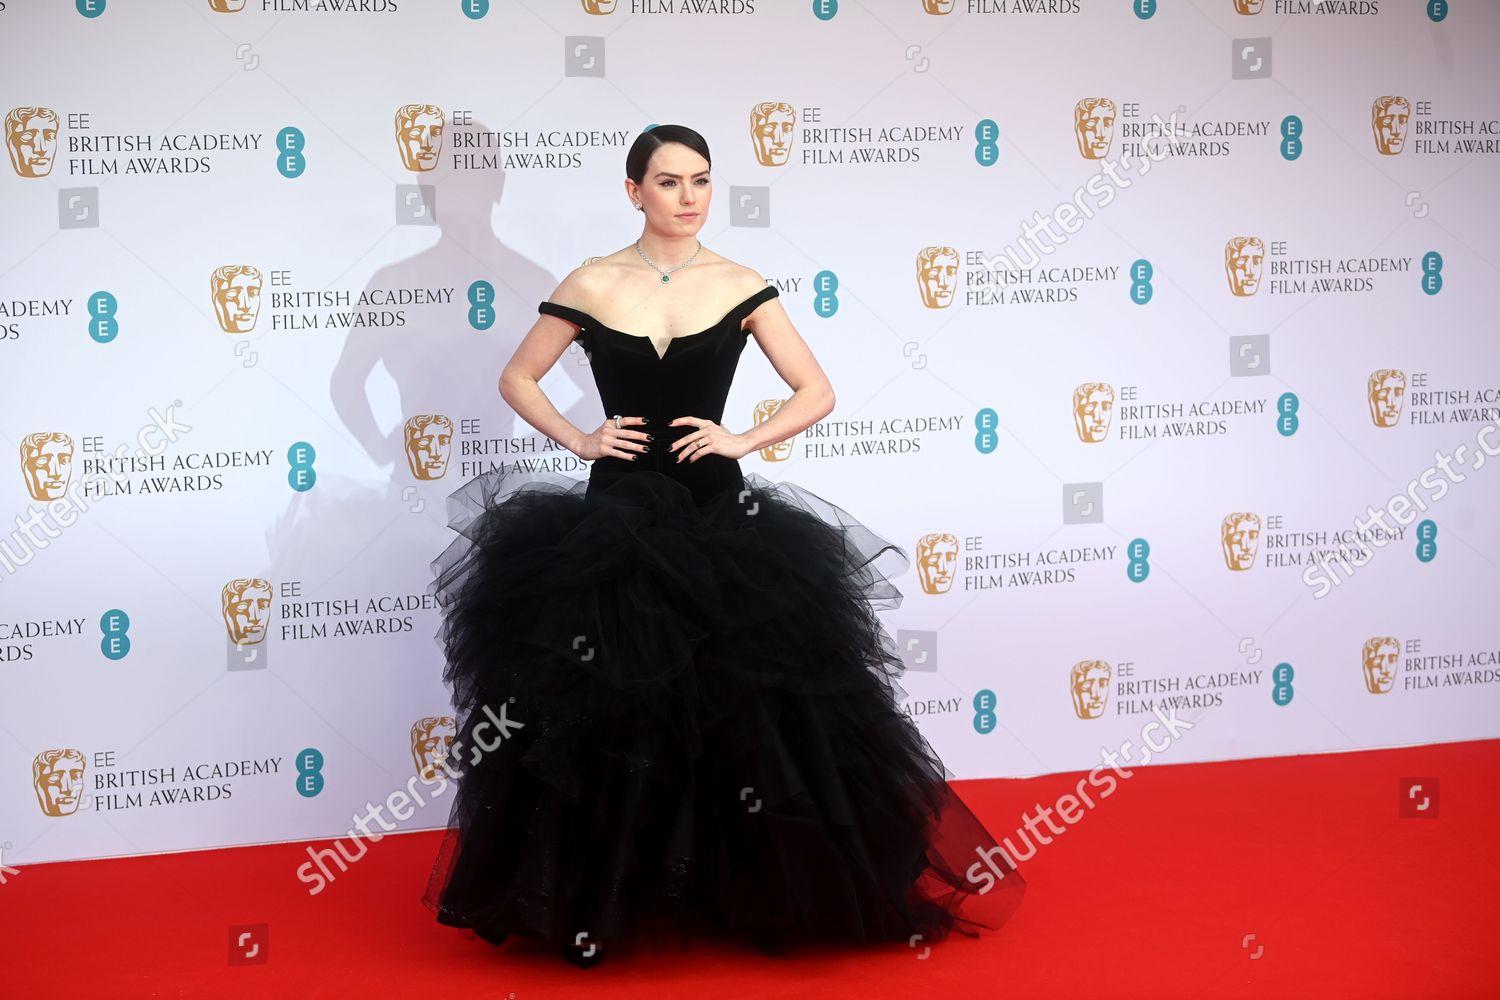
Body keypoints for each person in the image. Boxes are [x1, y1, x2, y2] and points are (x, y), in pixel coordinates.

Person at [422, 124, 1026, 969]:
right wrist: (580, 438)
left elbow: (817, 390)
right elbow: (516, 377)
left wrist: (743, 440)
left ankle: (761, 891)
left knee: (751, 715)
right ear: (634, 191)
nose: (688, 196)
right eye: (668, 181)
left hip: (721, 526)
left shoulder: (741, 284)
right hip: (613, 526)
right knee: (612, 713)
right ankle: (604, 900)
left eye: (700, 180)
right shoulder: (591, 282)